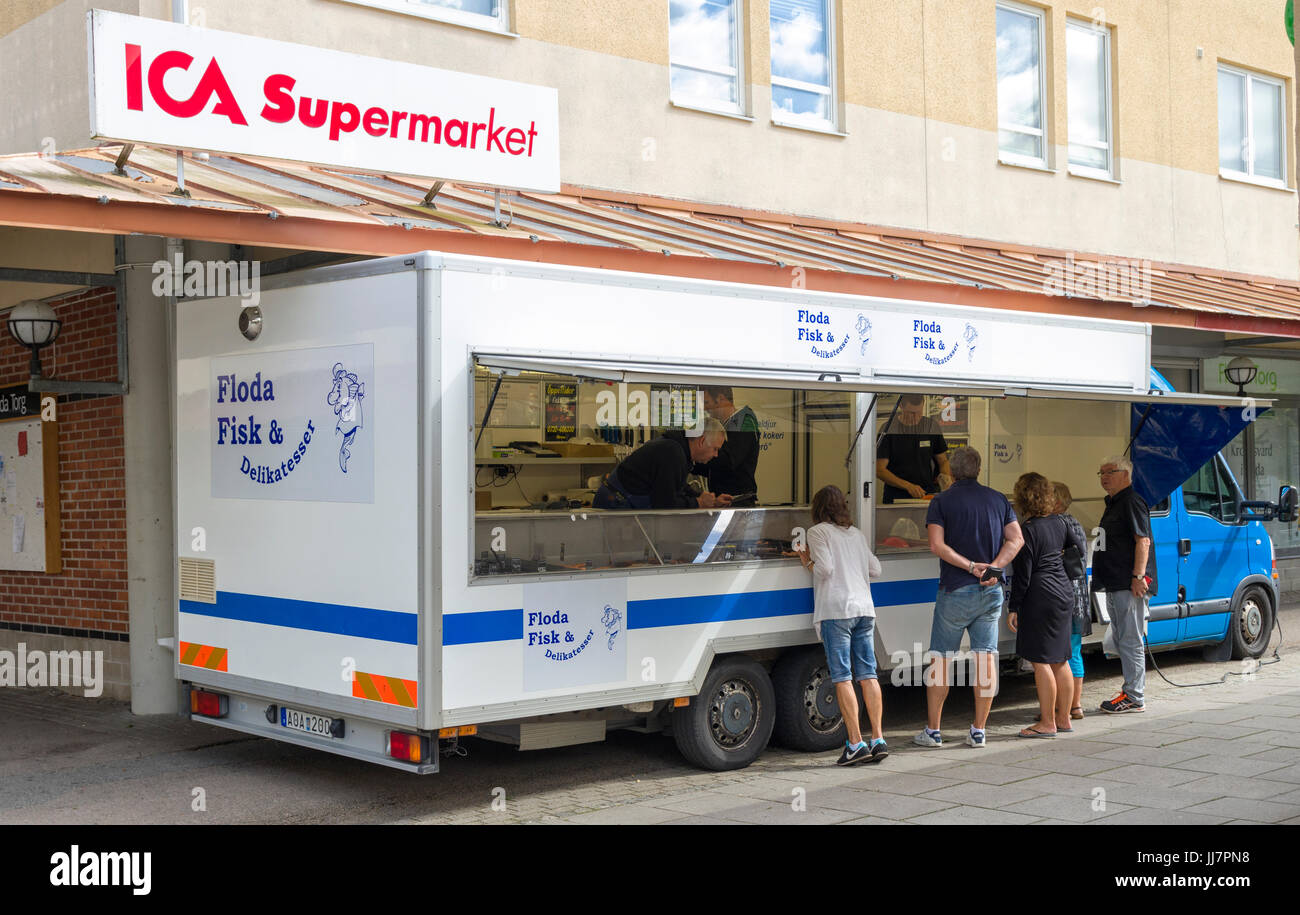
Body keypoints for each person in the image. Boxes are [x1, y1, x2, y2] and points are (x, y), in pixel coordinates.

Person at [917, 446, 1023, 748]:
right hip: (990, 592)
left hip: (954, 590)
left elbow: (936, 546)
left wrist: (970, 567)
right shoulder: (998, 499)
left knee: (941, 660)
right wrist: (994, 567)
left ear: (950, 470)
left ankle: (933, 731)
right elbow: (1016, 538)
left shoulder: (941, 501)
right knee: (986, 658)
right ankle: (978, 730)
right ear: (979, 469)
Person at [796, 485, 887, 765]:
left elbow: (824, 569)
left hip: (837, 610)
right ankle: (879, 739)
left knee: (842, 676)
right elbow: (876, 569)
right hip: (864, 609)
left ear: (818, 508)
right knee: (868, 674)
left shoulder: (818, 532)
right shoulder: (856, 534)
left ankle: (856, 743)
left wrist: (806, 560)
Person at [1009, 473, 1086, 738]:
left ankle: (1047, 723)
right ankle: (1063, 719)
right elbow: (1077, 549)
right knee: (1061, 659)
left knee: (1041, 661)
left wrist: (1014, 606)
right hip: (1064, 591)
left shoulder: (1027, 530)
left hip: (1039, 595)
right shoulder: (1061, 523)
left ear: (1023, 498)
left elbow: (1023, 574)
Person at [1093, 455, 1157, 713]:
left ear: (1125, 474)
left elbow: (1143, 541)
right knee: (1121, 638)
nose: (1104, 477)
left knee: (1130, 639)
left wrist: (1138, 576)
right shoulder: (1114, 502)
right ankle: (1130, 689)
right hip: (1115, 582)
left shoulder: (1131, 501)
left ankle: (1134, 695)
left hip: (1128, 584)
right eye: (1101, 472)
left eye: (1110, 471)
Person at [593, 417, 732, 510]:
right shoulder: (672, 453)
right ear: (701, 441)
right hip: (615, 505)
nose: (716, 455)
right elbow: (665, 505)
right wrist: (699, 503)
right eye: (715, 449)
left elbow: (677, 487)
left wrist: (707, 499)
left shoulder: (677, 448)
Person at [1053, 481, 1091, 720]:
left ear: (1056, 501)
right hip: (1078, 595)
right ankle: (1075, 706)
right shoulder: (1075, 522)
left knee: (1059, 654)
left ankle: (1062, 707)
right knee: (1074, 651)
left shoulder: (1057, 525)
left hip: (1063, 594)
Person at [877, 394, 953, 503]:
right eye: (912, 413)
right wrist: (908, 486)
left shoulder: (930, 427)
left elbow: (943, 460)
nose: (916, 417)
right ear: (901, 407)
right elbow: (879, 470)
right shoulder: (888, 429)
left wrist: (946, 480)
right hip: (896, 497)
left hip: (926, 494)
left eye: (919, 412)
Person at [695, 386, 761, 500]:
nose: (704, 408)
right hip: (721, 499)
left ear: (721, 398)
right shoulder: (723, 426)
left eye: (706, 402)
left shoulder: (745, 421)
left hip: (738, 501)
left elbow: (728, 461)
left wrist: (696, 456)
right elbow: (712, 468)